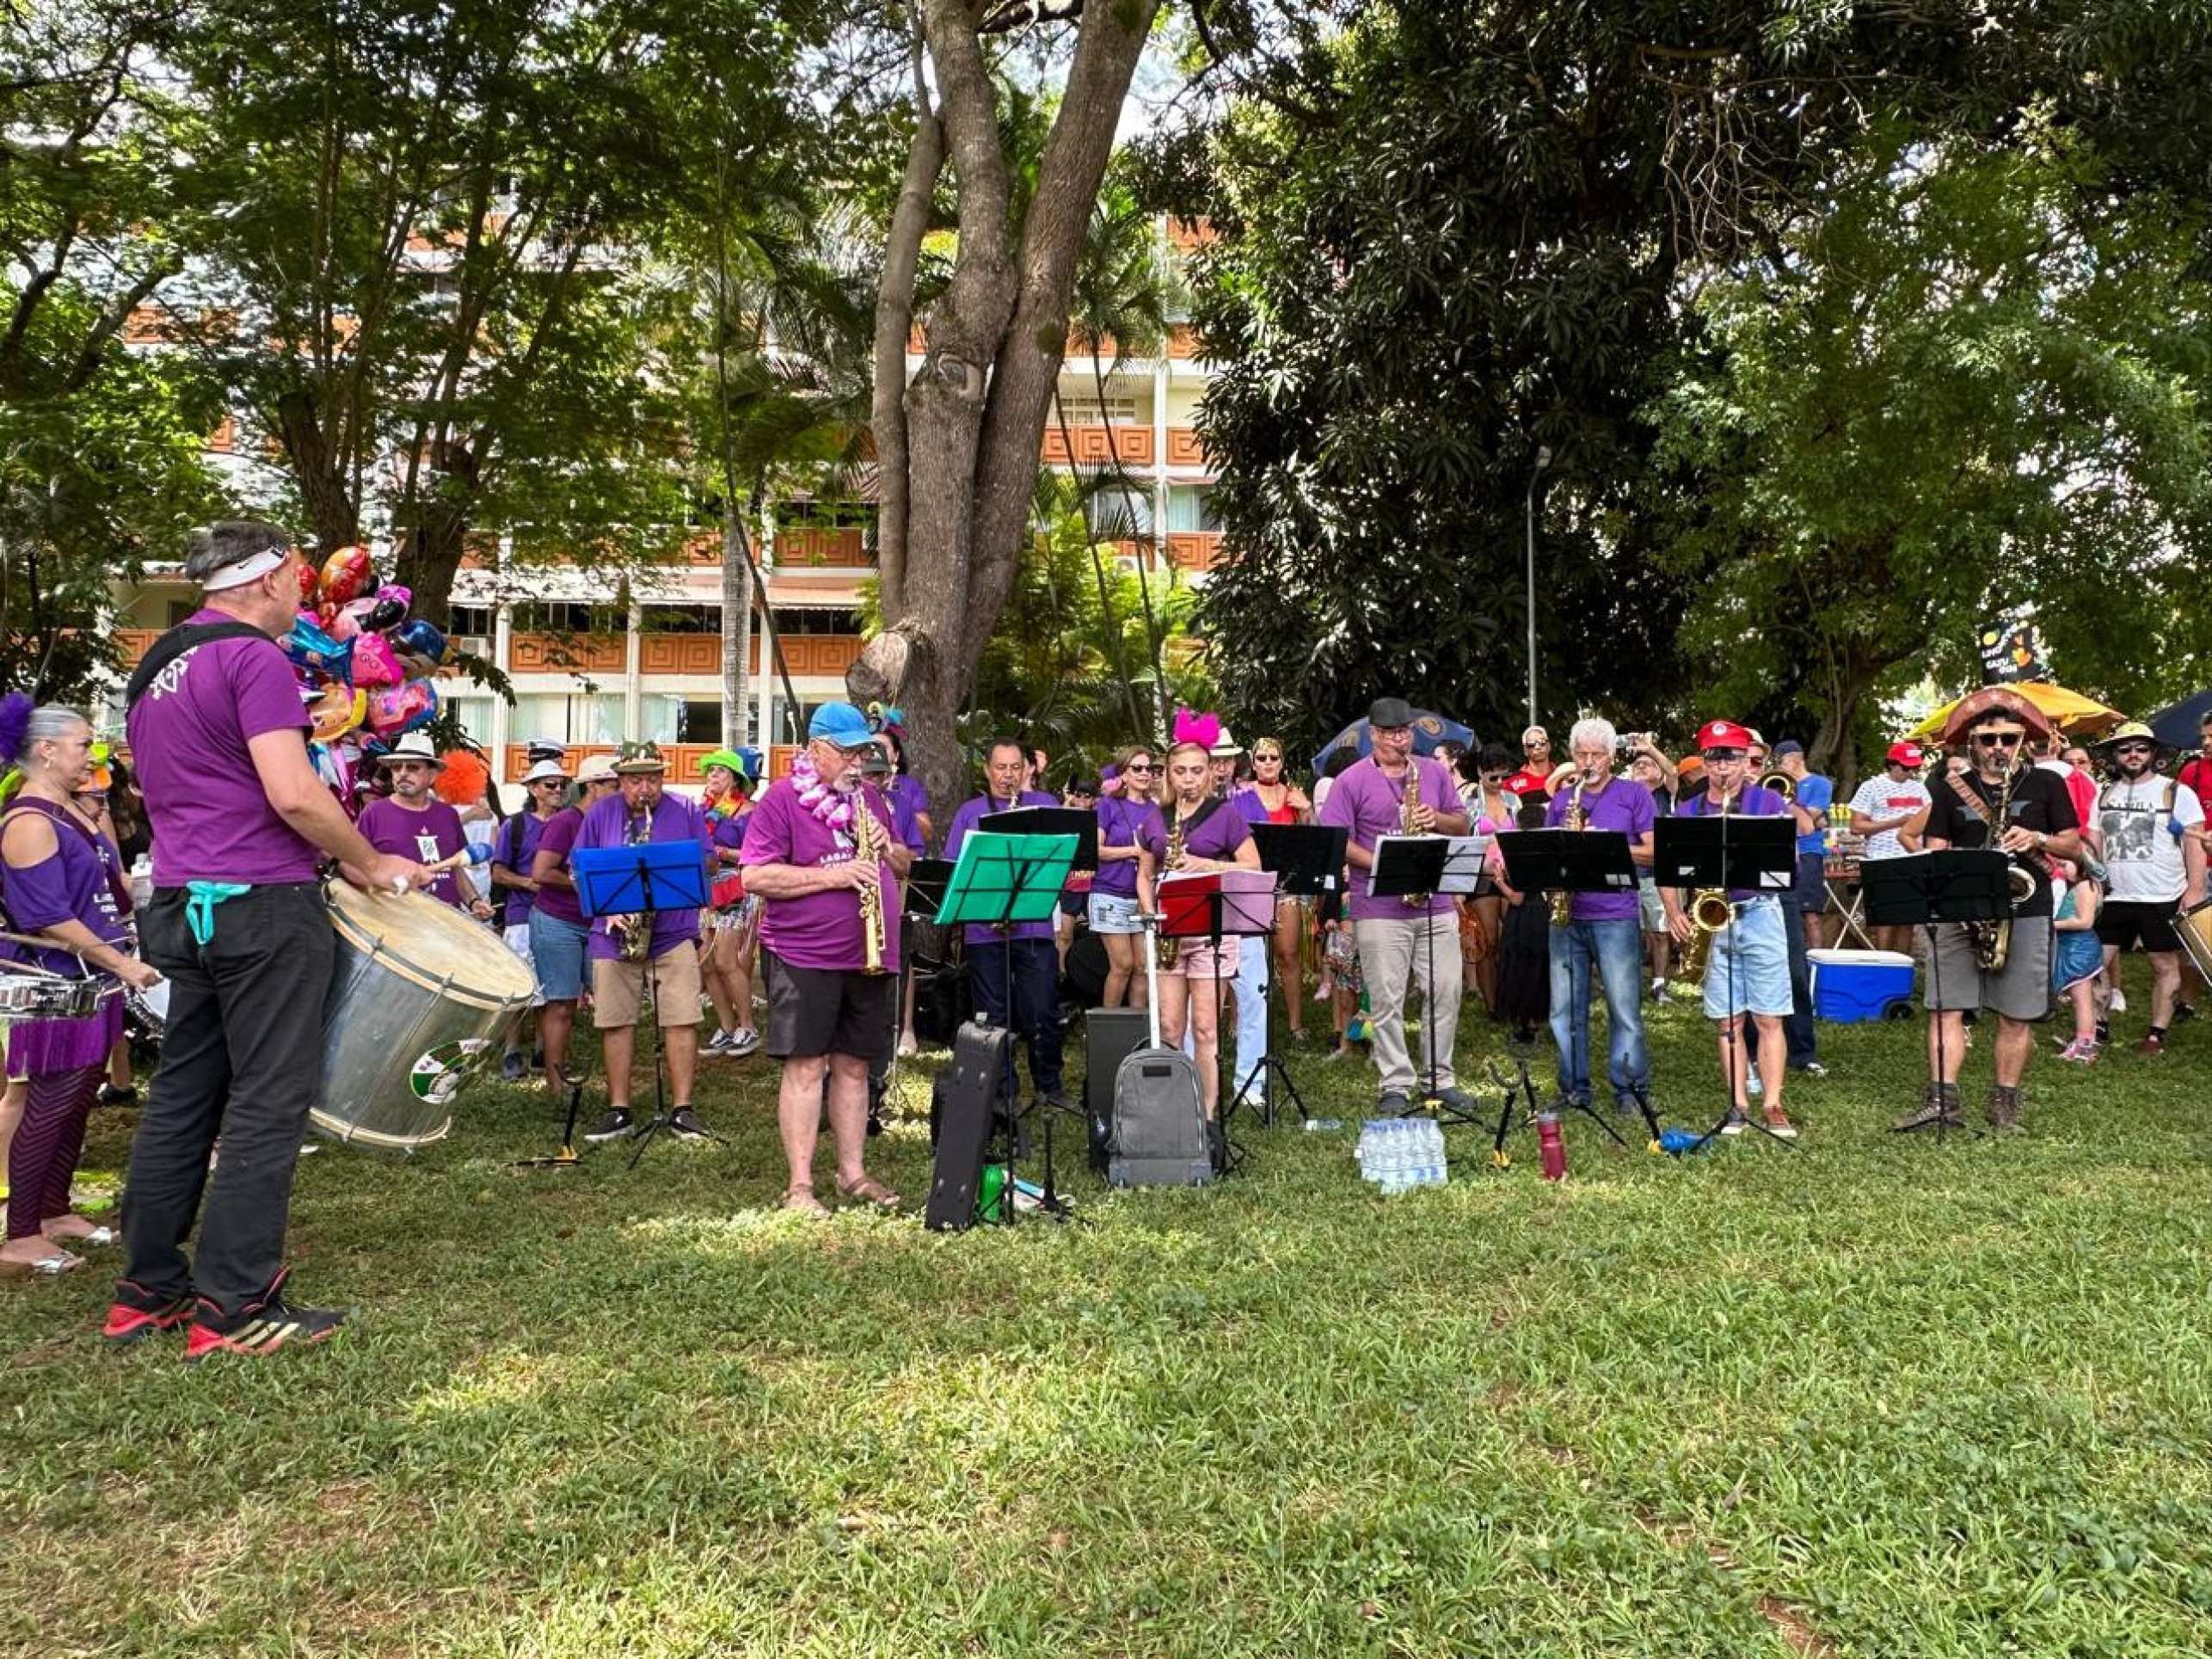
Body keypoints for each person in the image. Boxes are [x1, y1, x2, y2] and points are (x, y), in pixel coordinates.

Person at [109, 521, 428, 1356]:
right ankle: (233, 1306)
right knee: (265, 1101)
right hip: (261, 903)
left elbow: (156, 787)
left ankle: (146, 1291)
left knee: (184, 1093)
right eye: (295, 576)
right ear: (270, 577)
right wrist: (367, 860)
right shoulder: (254, 660)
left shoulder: (155, 670)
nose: (304, 592)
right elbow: (292, 793)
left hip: (180, 902)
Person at [0, 704, 161, 1275]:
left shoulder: (68, 811)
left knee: (78, 1096)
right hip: (52, 979)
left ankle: (53, 1209)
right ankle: (19, 1232)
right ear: (45, 750)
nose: (90, 756)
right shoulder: (28, 821)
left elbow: (106, 887)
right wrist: (120, 960)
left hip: (91, 977)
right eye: (82, 744)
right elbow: (45, 916)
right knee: (51, 1100)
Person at [740, 702, 907, 1214]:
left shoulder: (871, 800)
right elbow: (754, 876)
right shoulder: (781, 800)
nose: (857, 762)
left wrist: (888, 849)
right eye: (846, 751)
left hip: (868, 953)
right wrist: (834, 876)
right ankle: (800, 1185)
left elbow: (904, 862)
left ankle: (853, 1174)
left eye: (862, 751)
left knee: (856, 1066)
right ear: (814, 750)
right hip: (804, 953)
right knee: (807, 1065)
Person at [1892, 689, 2081, 1134]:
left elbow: (2073, 844)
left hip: (2027, 906)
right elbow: (1934, 847)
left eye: (2008, 738)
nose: (1999, 748)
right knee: (1945, 1007)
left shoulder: (2048, 783)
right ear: (1972, 744)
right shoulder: (1946, 786)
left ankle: (2004, 1108)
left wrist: (2037, 839)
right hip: (1961, 909)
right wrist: (1947, 890)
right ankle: (1942, 1103)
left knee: (2017, 1012)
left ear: (2024, 741)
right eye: (1988, 739)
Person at [1316, 696, 1475, 1115]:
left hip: (1434, 901)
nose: (1398, 740)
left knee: (1446, 989)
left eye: (1404, 733)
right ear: (1374, 735)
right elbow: (1335, 841)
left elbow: (1461, 824)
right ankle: (1396, 1082)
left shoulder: (1435, 773)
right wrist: (1385, 861)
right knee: (1386, 999)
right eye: (1389, 734)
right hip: (1380, 904)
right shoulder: (1350, 781)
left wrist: (1433, 818)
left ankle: (1439, 1078)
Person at [1662, 721, 1799, 1138]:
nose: (1723, 766)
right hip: (1713, 918)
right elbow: (1668, 870)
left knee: (1769, 1015)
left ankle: (1773, 1103)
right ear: (1705, 762)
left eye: (1732, 756)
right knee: (1728, 1019)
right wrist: (1673, 910)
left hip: (1758, 911)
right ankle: (1738, 1103)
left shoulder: (1768, 802)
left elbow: (1785, 860)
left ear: (1746, 760)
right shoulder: (1688, 811)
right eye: (1715, 757)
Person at [573, 742, 713, 1144]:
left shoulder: (685, 809)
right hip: (614, 933)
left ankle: (683, 1110)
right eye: (636, 780)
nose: (645, 788)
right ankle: (619, 1111)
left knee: (683, 1018)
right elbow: (577, 868)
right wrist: (608, 910)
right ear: (620, 781)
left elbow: (708, 862)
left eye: (653, 778)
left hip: (673, 931)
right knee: (616, 1021)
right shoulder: (601, 813)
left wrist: (691, 861)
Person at [1135, 740, 1263, 1118]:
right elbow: (1144, 875)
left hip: (1212, 931)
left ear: (1209, 772)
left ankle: (1207, 1116)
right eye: (1180, 771)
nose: (1188, 779)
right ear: (1168, 774)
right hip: (1168, 932)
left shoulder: (1226, 815)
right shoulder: (1157, 818)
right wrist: (1150, 914)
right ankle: (1177, 1112)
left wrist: (1202, 865)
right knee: (1171, 1027)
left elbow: (1252, 866)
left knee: (1206, 1028)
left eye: (1196, 770)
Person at [943, 736, 1069, 1112]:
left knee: (1044, 1009)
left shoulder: (1045, 806)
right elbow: (955, 867)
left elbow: (1062, 861)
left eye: (1016, 767)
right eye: (1001, 768)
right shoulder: (970, 811)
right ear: (986, 770)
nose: (1008, 776)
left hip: (1033, 929)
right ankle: (1003, 1090)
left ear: (1027, 769)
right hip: (985, 930)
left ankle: (1050, 1084)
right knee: (992, 1014)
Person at [1542, 719, 1657, 1119]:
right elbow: (1545, 853)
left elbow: (1653, 852)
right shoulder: (1562, 799)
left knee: (1623, 1007)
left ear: (1612, 756)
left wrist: (1603, 845)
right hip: (1567, 914)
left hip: (1614, 914)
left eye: (1597, 755)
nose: (1588, 762)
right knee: (1563, 1009)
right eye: (1581, 755)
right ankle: (1574, 1087)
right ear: (1571, 755)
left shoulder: (1634, 794)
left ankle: (1629, 1088)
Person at [2089, 721, 2206, 1054]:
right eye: (2125, 748)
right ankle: (2098, 1025)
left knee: (2164, 964)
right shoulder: (2104, 795)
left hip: (2163, 895)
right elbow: (2094, 845)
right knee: (2095, 963)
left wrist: (2195, 889)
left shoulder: (2176, 792)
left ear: (2153, 753)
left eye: (2141, 748)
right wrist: (2091, 883)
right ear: (2115, 755)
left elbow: (2193, 843)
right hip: (2114, 895)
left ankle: (2156, 1034)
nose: (2133, 754)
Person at [526, 754, 619, 1096]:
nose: (621, 790)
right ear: (592, 786)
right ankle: (555, 1086)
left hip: (596, 922)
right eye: (613, 784)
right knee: (561, 1003)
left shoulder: (614, 820)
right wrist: (586, 883)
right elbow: (541, 872)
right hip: (557, 921)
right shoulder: (566, 821)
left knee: (609, 1001)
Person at [489, 757, 569, 1080]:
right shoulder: (516, 825)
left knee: (552, 987)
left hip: (558, 915)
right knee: (520, 987)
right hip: (522, 915)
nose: (558, 790)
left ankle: (541, 1049)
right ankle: (511, 1049)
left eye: (563, 784)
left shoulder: (568, 823)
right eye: (550, 784)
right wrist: (528, 883)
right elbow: (497, 871)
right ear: (533, 789)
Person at [355, 734, 493, 919]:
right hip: (395, 922)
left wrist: (473, 901)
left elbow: (456, 868)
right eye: (397, 768)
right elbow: (355, 865)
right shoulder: (374, 813)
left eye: (412, 767)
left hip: (446, 923)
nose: (403, 773)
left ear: (432, 775)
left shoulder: (448, 815)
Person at [1246, 738, 1312, 1041]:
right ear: (1253, 762)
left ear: (1282, 762)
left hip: (1285, 883)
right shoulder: (1243, 796)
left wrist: (1307, 810)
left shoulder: (1294, 796)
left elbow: (1314, 840)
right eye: (1262, 758)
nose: (1268, 762)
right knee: (1247, 955)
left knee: (1288, 953)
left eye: (1274, 757)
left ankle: (1296, 1024)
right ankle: (1240, 1021)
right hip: (1249, 884)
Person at [1769, 740, 1828, 1077]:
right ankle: (1752, 1050)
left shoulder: (1782, 792)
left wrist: (1784, 797)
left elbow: (1807, 826)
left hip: (1786, 881)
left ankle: (1803, 1050)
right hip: (1746, 889)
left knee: (1795, 968)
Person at [698, 751, 762, 1059]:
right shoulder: (703, 812)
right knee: (706, 962)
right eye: (710, 771)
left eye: (720, 771)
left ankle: (748, 1026)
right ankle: (726, 1027)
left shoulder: (750, 811)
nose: (713, 776)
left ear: (735, 779)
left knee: (726, 959)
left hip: (737, 887)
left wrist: (722, 851)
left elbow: (757, 855)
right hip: (707, 890)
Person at [1090, 745, 1160, 1009]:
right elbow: (1096, 850)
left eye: (1149, 769)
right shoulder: (1108, 805)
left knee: (1143, 967)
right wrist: (1133, 850)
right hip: (1109, 892)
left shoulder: (1156, 809)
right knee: (1123, 965)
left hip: (1142, 897)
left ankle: (1139, 1032)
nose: (1144, 774)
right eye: (1137, 768)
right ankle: (1109, 1026)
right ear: (1124, 773)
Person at [877, 722, 932, 1057]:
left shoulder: (906, 793)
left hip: (896, 890)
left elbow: (917, 848)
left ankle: (905, 1026)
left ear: (896, 755)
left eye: (883, 747)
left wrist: (889, 849)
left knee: (901, 958)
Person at [1847, 741, 1933, 955]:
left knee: (1908, 919)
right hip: (1882, 858)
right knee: (1886, 919)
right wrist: (1896, 822)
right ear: (1892, 765)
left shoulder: (1919, 788)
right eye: (1906, 768)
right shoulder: (1872, 786)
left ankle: (1904, 967)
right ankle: (1884, 964)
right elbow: (1856, 825)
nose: (1910, 773)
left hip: (1913, 857)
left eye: (1914, 768)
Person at [1625, 736, 1678, 1000]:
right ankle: (1628, 984)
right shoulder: (1624, 796)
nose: (1643, 766)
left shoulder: (1664, 793)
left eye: (1649, 764)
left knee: (1659, 932)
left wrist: (1650, 749)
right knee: (1627, 933)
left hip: (1659, 875)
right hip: (1629, 872)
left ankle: (1659, 985)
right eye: (1638, 764)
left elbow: (1673, 771)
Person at [2052, 857, 2106, 1064]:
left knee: (2082, 999)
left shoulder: (2086, 886)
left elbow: (2085, 921)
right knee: (2079, 999)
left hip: (2080, 948)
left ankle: (2085, 1047)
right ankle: (2083, 1041)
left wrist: (2051, 925)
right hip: (2070, 945)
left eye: (2064, 864)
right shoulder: (2071, 886)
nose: (2060, 868)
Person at [1505, 726, 1555, 797]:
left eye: (1542, 742)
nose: (1538, 747)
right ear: (1525, 750)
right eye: (1531, 744)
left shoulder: (1563, 775)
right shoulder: (1512, 782)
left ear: (1549, 746)